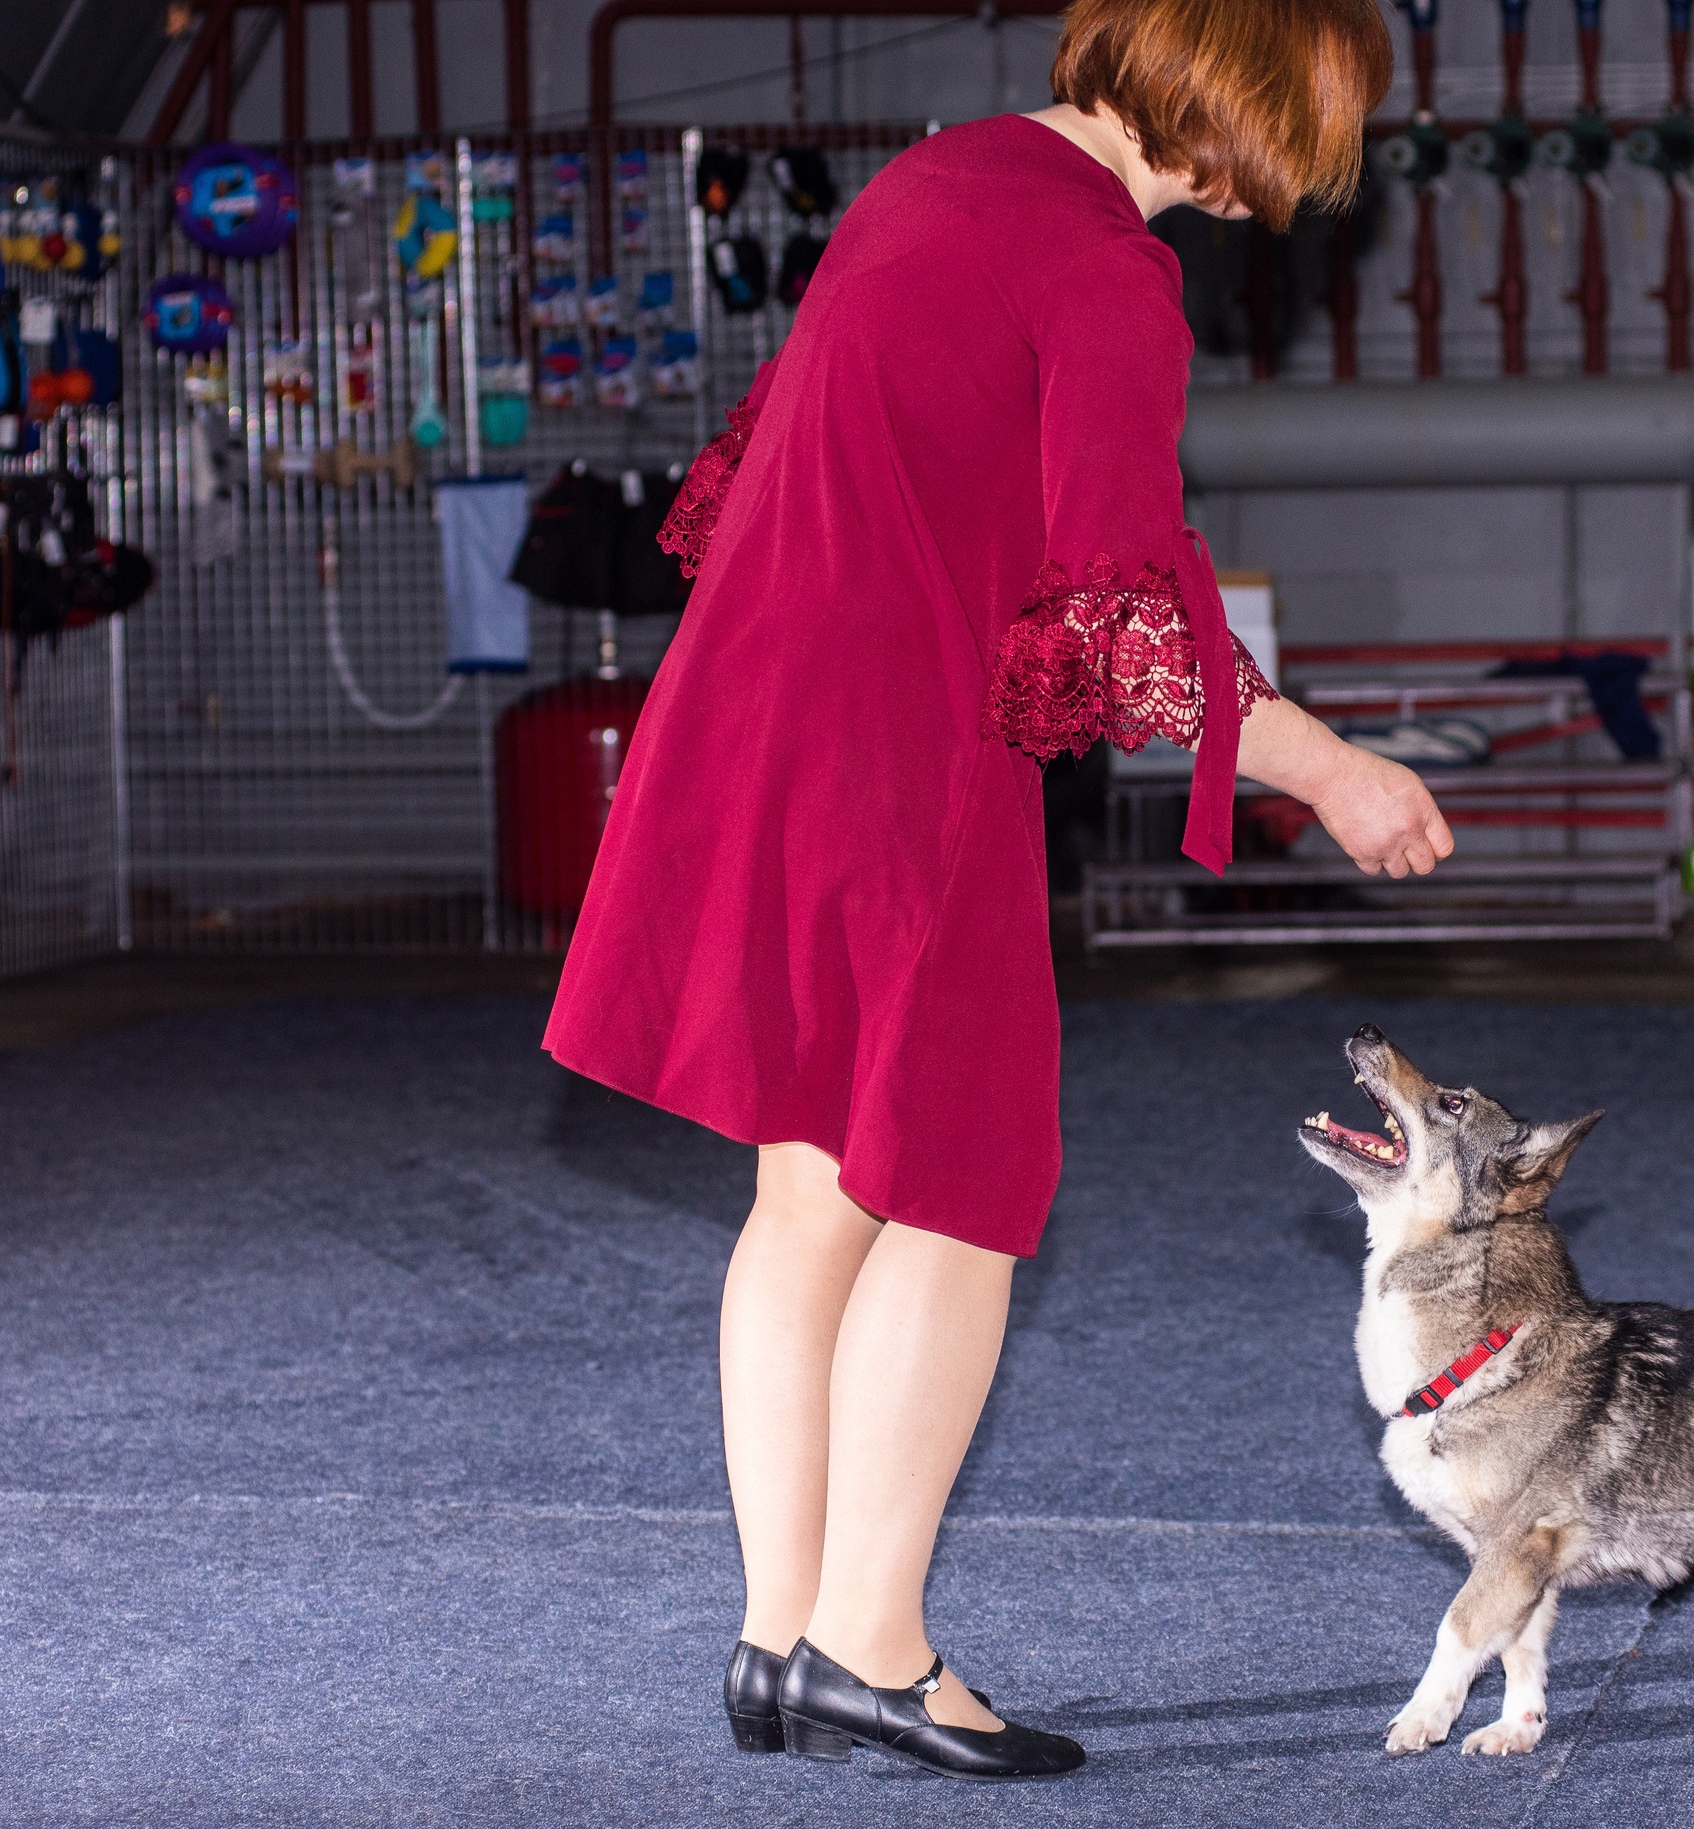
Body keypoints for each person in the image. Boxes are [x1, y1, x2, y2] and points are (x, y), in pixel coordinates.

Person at [543, 0, 1444, 1785]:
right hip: (900, 755)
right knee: (959, 1190)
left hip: (746, 718)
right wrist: (1335, 769)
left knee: (808, 1190)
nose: (1293, 200)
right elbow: (1120, 633)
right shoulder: (1112, 275)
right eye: (1305, 151)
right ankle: (875, 1649)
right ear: (1249, 120)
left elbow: (849, 497)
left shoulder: (935, 183)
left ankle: (776, 1632)